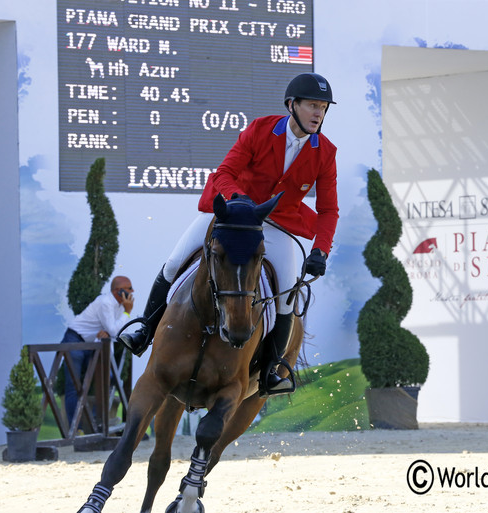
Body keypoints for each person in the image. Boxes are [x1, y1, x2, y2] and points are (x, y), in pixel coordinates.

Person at [120, 72, 339, 395]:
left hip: (276, 224)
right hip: (231, 215)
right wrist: (239, 202)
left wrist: (320, 251)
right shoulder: (260, 130)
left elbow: (327, 211)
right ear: (291, 105)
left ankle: (271, 372)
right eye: (312, 106)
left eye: (322, 107)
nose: (318, 113)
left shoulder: (325, 152)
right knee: (174, 262)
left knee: (286, 299)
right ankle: (145, 330)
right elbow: (225, 173)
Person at [61, 275, 134, 427]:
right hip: (74, 340)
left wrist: (109, 331)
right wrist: (127, 313)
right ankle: (76, 430)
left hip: (91, 343)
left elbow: (113, 331)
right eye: (129, 289)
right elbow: (115, 330)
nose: (132, 291)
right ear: (118, 291)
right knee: (74, 387)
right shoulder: (106, 303)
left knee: (105, 379)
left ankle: (94, 423)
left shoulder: (120, 306)